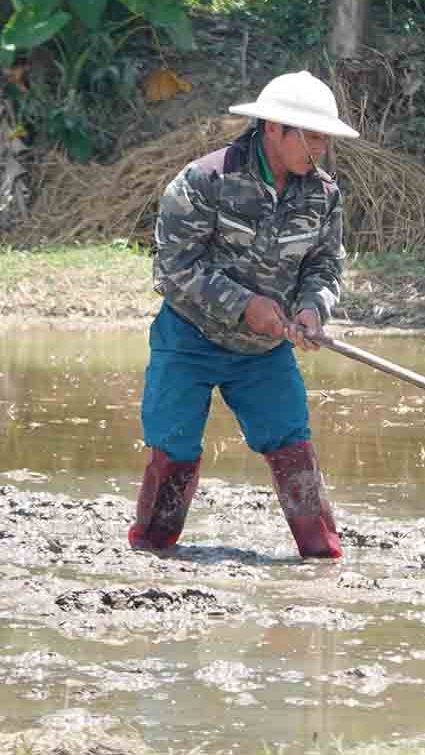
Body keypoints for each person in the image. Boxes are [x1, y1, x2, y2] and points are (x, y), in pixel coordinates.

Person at [128, 71, 360, 559]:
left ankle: (322, 557)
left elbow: (325, 265)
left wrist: (312, 309)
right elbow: (173, 270)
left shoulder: (324, 195)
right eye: (313, 136)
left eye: (324, 138)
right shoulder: (203, 182)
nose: (321, 149)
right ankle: (150, 551)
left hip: (263, 352)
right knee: (175, 450)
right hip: (189, 339)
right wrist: (243, 305)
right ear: (274, 128)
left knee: (293, 447)